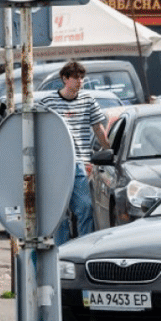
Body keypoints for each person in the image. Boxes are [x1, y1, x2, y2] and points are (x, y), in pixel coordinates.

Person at [40, 60, 109, 242]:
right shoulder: (48, 102)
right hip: (56, 164)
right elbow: (39, 132)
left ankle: (84, 246)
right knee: (60, 212)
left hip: (79, 161)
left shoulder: (88, 101)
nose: (80, 81)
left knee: (85, 207)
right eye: (76, 78)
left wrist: (109, 150)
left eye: (82, 78)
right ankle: (61, 251)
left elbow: (98, 128)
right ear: (65, 79)